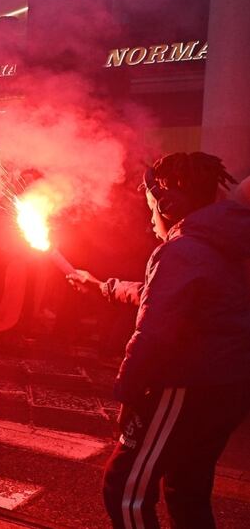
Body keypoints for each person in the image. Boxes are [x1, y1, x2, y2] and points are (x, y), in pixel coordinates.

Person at [68, 152, 250, 528]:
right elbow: (168, 297)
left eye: (151, 206)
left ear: (167, 203)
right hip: (225, 386)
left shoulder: (181, 250)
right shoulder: (224, 242)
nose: (150, 218)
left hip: (186, 386)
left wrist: (129, 396)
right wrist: (103, 287)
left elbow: (153, 332)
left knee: (124, 488)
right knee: (186, 490)